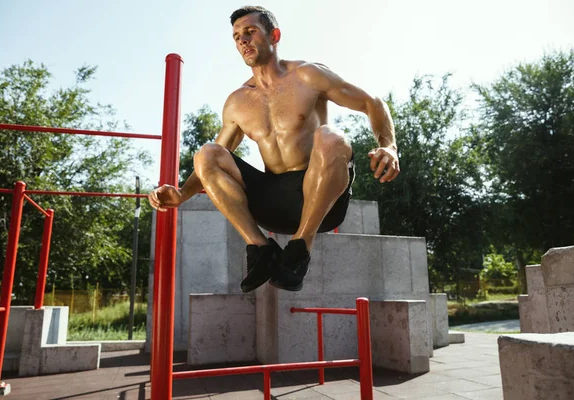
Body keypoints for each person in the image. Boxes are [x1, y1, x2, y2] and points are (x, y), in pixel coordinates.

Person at [148, 5, 399, 293]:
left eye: (250, 32)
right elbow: (212, 166)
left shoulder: (308, 76)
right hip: (272, 203)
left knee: (331, 136)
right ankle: (260, 250)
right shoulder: (238, 101)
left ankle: (299, 249)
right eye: (237, 36)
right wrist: (181, 194)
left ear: (274, 35)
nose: (243, 40)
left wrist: (388, 146)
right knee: (207, 152)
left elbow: (373, 103)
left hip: (320, 195)